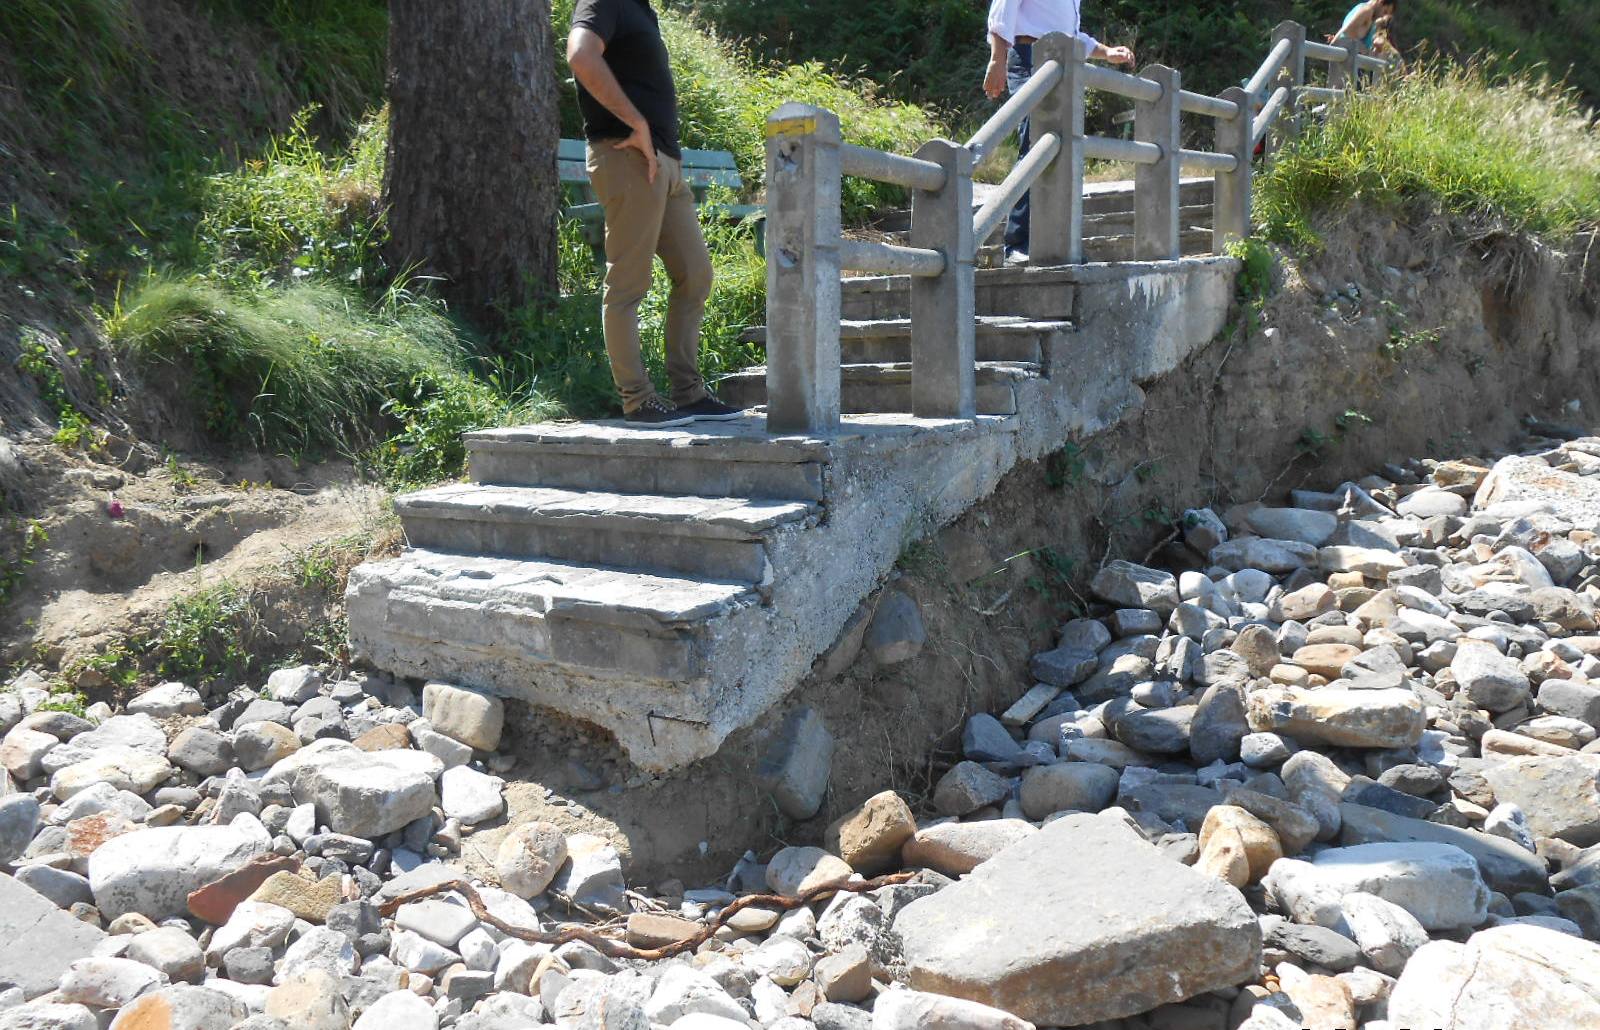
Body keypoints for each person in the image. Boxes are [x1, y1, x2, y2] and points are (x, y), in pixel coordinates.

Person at [567, 0, 742, 427]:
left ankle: (688, 393)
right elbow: (580, 54)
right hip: (627, 155)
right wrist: (636, 123)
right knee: (628, 284)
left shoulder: (641, 10)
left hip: (664, 163)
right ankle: (638, 399)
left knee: (696, 273)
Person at [983, 0, 1135, 264]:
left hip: (1062, 62)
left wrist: (1107, 52)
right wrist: (997, 60)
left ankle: (1060, 244)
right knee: (1035, 144)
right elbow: (1002, 12)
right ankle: (1017, 243)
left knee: (1062, 151)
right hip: (1027, 56)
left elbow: (1070, 35)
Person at [1329, 0, 1397, 50]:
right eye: (1385, 11)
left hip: (1348, 60)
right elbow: (1347, 31)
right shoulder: (1367, 11)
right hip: (1344, 58)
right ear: (1380, 2)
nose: (1382, 16)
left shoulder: (1369, 16)